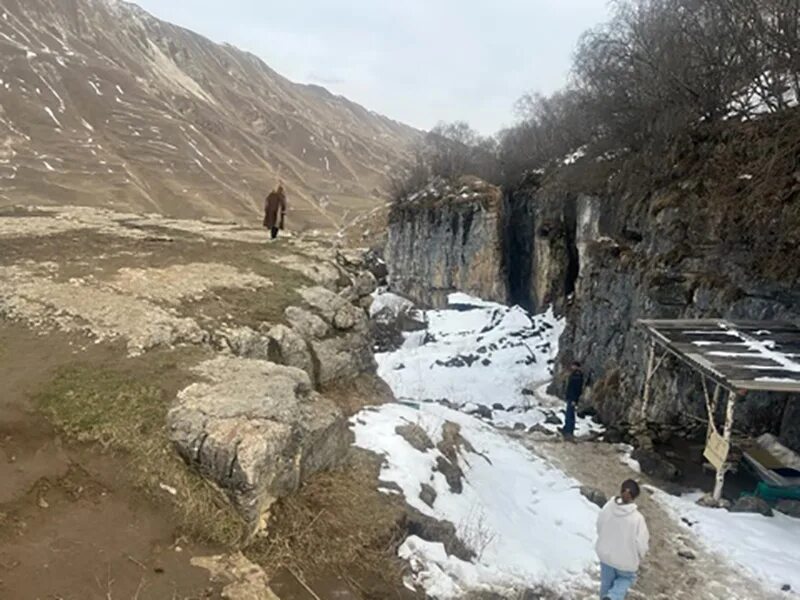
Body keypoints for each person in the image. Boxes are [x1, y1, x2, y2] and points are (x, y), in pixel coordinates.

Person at [596, 479, 650, 600]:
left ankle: (606, 597)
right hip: (626, 561)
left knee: (606, 583)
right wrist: (640, 556)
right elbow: (641, 543)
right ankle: (613, 597)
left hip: (606, 555)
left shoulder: (608, 507)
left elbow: (599, 525)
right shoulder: (637, 519)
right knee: (625, 579)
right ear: (635, 497)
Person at [560, 360, 583, 440]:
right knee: (568, 414)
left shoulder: (577, 375)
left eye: (573, 365)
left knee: (570, 414)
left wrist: (574, 399)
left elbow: (576, 388)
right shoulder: (574, 374)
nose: (572, 367)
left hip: (572, 397)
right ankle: (566, 429)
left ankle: (569, 431)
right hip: (570, 397)